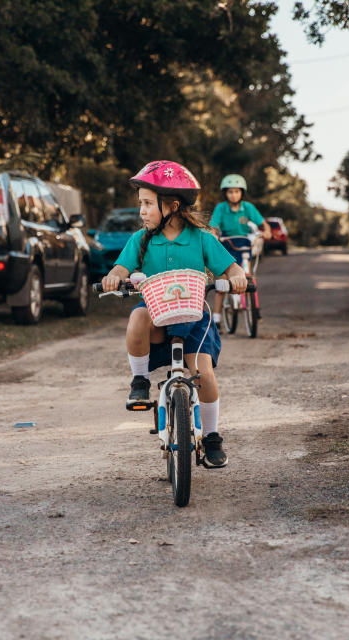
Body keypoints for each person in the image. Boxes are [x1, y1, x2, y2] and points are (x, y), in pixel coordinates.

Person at [100, 160, 247, 467]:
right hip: (157, 314)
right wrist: (114, 276)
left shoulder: (202, 238)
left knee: (203, 373)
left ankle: (211, 437)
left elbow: (230, 266)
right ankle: (139, 381)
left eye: (147, 204)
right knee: (137, 317)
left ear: (172, 205)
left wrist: (237, 276)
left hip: (194, 315)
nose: (142, 210)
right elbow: (121, 267)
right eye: (141, 203)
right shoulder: (141, 239)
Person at [209, 174, 271, 326]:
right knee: (223, 281)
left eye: (237, 191)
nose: (234, 195)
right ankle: (216, 318)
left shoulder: (248, 207)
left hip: (244, 244)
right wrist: (213, 233)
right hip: (226, 244)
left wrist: (267, 231)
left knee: (248, 276)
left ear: (242, 192)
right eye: (230, 192)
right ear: (225, 193)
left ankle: (255, 308)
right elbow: (214, 226)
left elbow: (263, 223)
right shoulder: (221, 208)